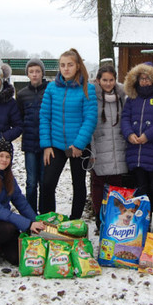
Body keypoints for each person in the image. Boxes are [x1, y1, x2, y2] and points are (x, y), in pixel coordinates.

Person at [39, 49, 97, 219]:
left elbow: (90, 119)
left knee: (78, 185)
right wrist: (47, 145)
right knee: (48, 183)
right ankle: (48, 219)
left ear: (78, 66)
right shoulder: (51, 88)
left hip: (77, 147)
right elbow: (44, 116)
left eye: (70, 65)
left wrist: (79, 145)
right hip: (56, 145)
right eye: (62, 65)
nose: (66, 68)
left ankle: (74, 221)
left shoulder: (87, 88)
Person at [0, 139, 46, 265]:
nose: (4, 160)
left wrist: (35, 220)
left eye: (8, 156)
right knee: (9, 229)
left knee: (17, 259)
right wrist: (27, 224)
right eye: (0, 156)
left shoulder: (6, 175)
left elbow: (19, 200)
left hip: (4, 220)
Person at [121, 63, 153, 208]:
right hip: (135, 150)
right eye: (142, 78)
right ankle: (141, 218)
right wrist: (129, 133)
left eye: (148, 78)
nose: (144, 81)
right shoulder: (131, 98)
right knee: (140, 187)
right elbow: (125, 118)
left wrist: (147, 135)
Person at [90, 64, 128, 223]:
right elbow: (89, 123)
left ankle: (115, 220)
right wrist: (91, 150)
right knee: (97, 185)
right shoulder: (92, 97)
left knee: (116, 186)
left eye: (111, 80)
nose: (108, 83)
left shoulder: (122, 97)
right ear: (98, 80)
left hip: (117, 147)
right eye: (104, 80)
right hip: (99, 146)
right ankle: (99, 218)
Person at [16, 58, 48, 213]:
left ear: (42, 73)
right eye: (31, 72)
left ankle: (44, 213)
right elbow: (19, 118)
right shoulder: (22, 94)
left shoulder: (49, 91)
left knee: (44, 181)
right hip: (29, 144)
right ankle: (30, 213)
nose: (35, 74)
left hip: (46, 144)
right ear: (27, 74)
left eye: (37, 71)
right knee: (31, 181)